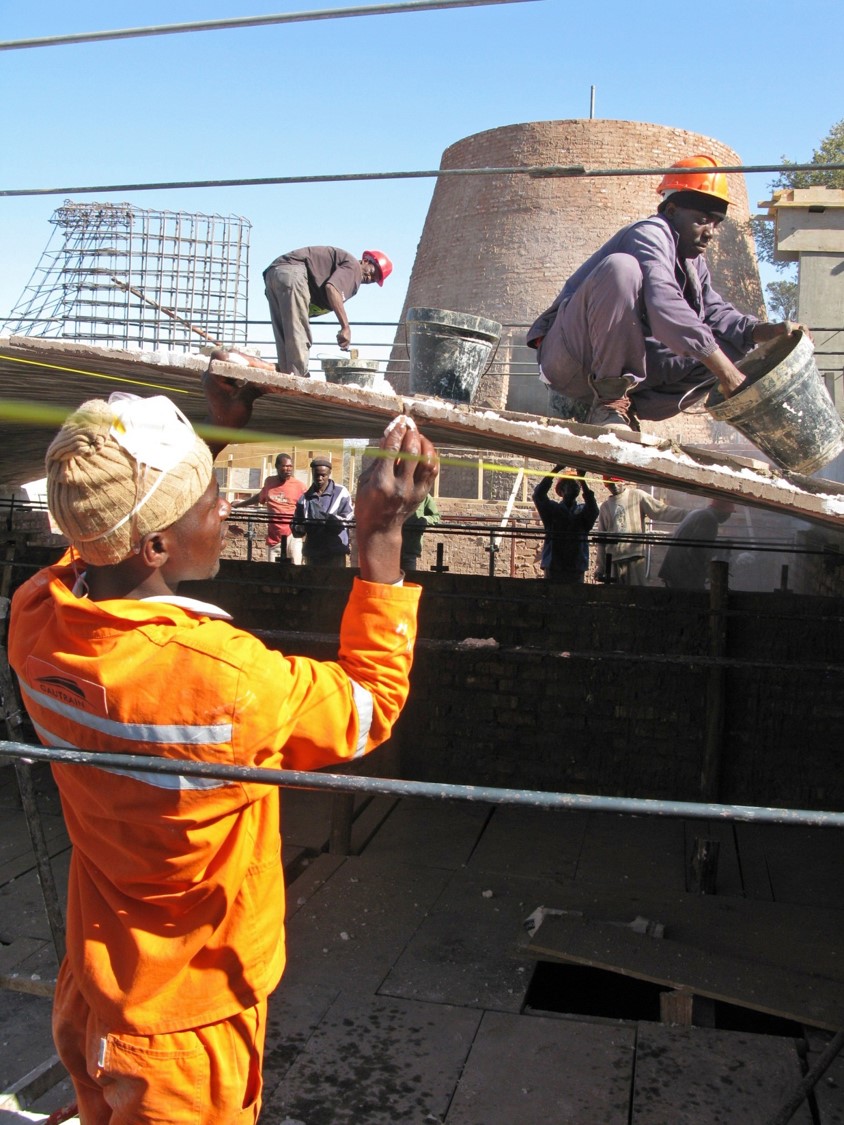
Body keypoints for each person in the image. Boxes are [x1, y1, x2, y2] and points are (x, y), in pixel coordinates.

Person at [7, 379, 438, 1124]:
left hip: (95, 985)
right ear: (156, 545)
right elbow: (368, 702)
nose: (226, 509)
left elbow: (108, 530)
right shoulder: (228, 682)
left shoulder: (37, 621)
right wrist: (380, 537)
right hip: (187, 1026)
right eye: (210, 497)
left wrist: (213, 429)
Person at [527, 154, 808, 430]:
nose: (710, 232)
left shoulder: (692, 261)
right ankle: (610, 402)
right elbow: (665, 304)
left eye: (715, 223)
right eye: (702, 219)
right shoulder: (649, 234)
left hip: (629, 381)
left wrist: (763, 331)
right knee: (621, 269)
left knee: (735, 343)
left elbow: (713, 312)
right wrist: (727, 373)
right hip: (569, 361)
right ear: (672, 211)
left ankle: (627, 407)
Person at [263, 246, 393, 375]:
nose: (370, 277)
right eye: (372, 272)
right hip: (292, 273)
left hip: (274, 275)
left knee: (285, 335)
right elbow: (332, 288)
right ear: (365, 261)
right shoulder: (354, 267)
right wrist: (345, 327)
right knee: (299, 333)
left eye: (374, 279)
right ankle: (298, 379)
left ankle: (288, 374)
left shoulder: (345, 269)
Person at [595, 479, 687, 585]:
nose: (614, 486)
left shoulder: (637, 496)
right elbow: (601, 540)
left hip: (634, 557)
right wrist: (601, 567)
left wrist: (688, 514)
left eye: (616, 482)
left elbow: (661, 511)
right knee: (615, 593)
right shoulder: (605, 507)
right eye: (610, 484)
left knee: (636, 591)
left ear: (623, 482)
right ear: (606, 485)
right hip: (613, 560)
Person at [232, 452, 306, 564]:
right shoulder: (270, 482)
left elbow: (308, 505)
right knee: (272, 569)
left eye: (290, 466)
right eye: (284, 466)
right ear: (277, 466)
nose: (288, 469)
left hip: (292, 534)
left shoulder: (299, 486)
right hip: (274, 536)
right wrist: (239, 504)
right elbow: (260, 497)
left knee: (295, 567)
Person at [532, 465, 598, 583]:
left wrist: (582, 480)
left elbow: (593, 509)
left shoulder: (582, 511)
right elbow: (538, 495)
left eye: (577, 484)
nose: (575, 486)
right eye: (570, 483)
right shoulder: (552, 510)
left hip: (575, 566)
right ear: (561, 490)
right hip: (555, 565)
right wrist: (556, 470)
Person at [659, 498, 736, 590]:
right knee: (695, 598)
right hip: (683, 575)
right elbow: (698, 550)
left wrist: (719, 547)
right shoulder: (709, 519)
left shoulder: (698, 513)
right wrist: (710, 573)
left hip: (675, 570)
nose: (728, 517)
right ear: (722, 511)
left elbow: (699, 544)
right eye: (728, 513)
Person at [291, 457, 354, 567]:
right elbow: (296, 527)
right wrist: (302, 527)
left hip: (335, 551)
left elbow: (348, 518)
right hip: (313, 553)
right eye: (316, 475)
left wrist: (331, 521)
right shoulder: (305, 498)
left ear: (329, 474)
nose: (319, 478)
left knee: (335, 578)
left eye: (323, 475)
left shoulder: (341, 493)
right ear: (312, 473)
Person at [400, 493, 441, 573]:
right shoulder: (393, 491)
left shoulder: (423, 495)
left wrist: (424, 520)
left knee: (409, 577)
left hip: (409, 549)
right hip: (389, 550)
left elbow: (436, 516)